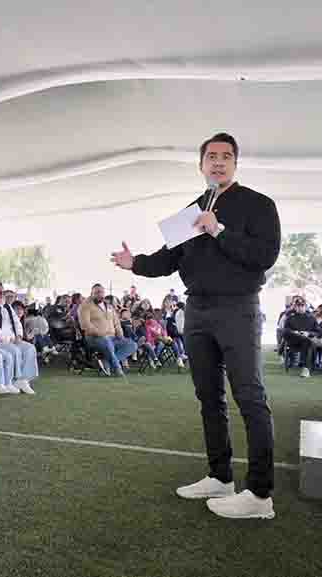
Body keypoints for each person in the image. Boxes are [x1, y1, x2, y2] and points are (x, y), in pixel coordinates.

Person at [111, 132, 279, 519]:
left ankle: (260, 495)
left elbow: (265, 256)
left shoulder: (258, 204)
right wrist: (135, 263)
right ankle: (220, 476)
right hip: (197, 311)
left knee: (250, 397)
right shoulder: (192, 209)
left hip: (238, 308)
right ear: (201, 164)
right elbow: (168, 259)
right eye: (211, 156)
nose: (218, 162)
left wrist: (219, 230)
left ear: (235, 163)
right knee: (209, 397)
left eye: (226, 156)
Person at [0, 280, 38, 394]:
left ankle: (23, 380)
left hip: (13, 339)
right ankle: (13, 380)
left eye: (0, 292)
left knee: (30, 348)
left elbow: (17, 322)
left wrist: (19, 335)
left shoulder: (7, 306)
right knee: (14, 350)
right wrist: (8, 338)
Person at [78, 284, 137, 377]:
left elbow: (116, 322)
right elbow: (85, 325)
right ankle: (117, 368)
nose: (100, 294)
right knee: (107, 342)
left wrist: (120, 333)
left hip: (112, 337)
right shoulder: (85, 306)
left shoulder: (109, 306)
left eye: (102, 292)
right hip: (94, 338)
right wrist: (100, 333)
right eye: (97, 292)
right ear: (91, 293)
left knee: (132, 345)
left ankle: (107, 363)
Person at [283, 297, 322, 378]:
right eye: (298, 305)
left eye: (302, 305)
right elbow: (285, 331)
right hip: (294, 341)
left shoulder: (311, 318)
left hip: (307, 341)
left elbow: (318, 332)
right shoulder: (290, 317)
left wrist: (308, 333)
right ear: (295, 307)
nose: (300, 307)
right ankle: (306, 368)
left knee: (307, 342)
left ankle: (306, 368)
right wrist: (295, 332)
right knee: (308, 342)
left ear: (305, 306)